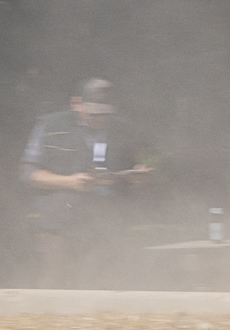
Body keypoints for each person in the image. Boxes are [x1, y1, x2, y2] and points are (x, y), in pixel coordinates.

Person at [18, 77, 150, 287]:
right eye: (94, 112)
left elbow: (129, 166)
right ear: (76, 103)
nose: (100, 118)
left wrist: (136, 175)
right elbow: (29, 174)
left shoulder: (123, 129)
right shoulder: (50, 125)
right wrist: (69, 182)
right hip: (58, 226)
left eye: (105, 113)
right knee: (56, 283)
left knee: (106, 284)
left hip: (107, 225)